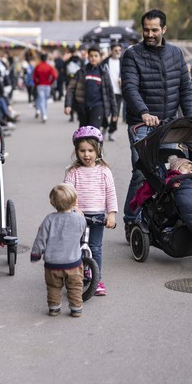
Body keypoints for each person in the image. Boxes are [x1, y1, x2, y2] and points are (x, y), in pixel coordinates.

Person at [121, 9, 192, 235]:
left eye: (155, 30)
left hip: (169, 124)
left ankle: (161, 215)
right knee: (142, 172)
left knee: (171, 171)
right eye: (146, 30)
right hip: (142, 125)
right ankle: (131, 218)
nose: (150, 34)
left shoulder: (175, 53)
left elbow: (185, 89)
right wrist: (144, 112)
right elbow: (130, 87)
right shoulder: (132, 55)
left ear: (164, 29)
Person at [63, 126, 116, 296]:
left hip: (98, 215)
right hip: (77, 216)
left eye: (90, 150)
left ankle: (96, 277)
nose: (87, 155)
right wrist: (74, 207)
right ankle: (74, 276)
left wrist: (111, 214)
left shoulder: (104, 171)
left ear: (97, 150)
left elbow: (110, 193)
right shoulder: (73, 172)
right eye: (82, 151)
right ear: (77, 151)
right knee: (76, 247)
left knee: (95, 247)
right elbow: (67, 192)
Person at [30, 184, 87, 318]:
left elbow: (41, 238)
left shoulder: (49, 219)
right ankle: (76, 308)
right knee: (75, 287)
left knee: (53, 287)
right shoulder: (79, 219)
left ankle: (54, 308)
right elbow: (83, 230)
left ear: (52, 202)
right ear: (74, 202)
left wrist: (36, 254)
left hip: (52, 264)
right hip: (73, 262)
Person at [64, 45, 118, 129]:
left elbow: (110, 93)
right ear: (88, 57)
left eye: (96, 56)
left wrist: (115, 112)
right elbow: (71, 89)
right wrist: (68, 105)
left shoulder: (104, 74)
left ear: (100, 57)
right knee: (83, 133)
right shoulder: (81, 72)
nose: (93, 58)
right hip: (83, 108)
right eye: (91, 56)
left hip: (98, 106)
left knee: (93, 132)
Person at [102, 43, 123, 141]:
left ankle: (112, 131)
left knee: (116, 113)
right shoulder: (105, 62)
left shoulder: (123, 62)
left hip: (118, 92)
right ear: (111, 51)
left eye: (119, 50)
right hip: (106, 92)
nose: (118, 52)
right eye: (116, 50)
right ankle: (105, 127)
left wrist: (123, 80)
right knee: (104, 112)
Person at [32, 52, 57, 123]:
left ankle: (44, 114)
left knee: (41, 100)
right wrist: (50, 82)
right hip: (47, 85)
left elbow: (34, 77)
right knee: (45, 100)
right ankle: (44, 113)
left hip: (40, 85)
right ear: (46, 58)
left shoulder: (38, 66)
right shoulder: (49, 67)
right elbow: (54, 76)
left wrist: (37, 83)